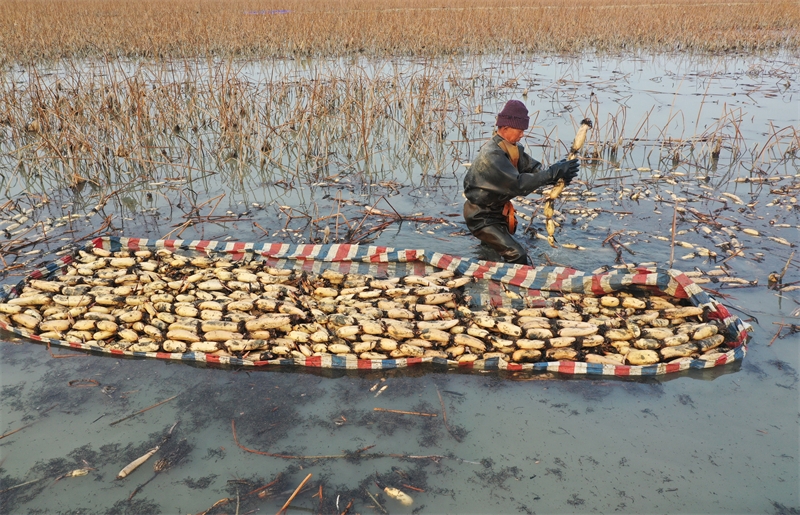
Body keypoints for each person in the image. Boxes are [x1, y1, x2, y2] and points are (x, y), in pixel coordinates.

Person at [463, 99, 580, 266]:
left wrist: (558, 174)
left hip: (497, 213)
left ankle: (488, 269)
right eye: (520, 130)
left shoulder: (511, 148)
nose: (522, 134)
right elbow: (519, 184)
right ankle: (518, 284)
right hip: (481, 217)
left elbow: (533, 169)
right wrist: (552, 173)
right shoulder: (492, 155)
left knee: (492, 250)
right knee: (516, 254)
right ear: (504, 128)